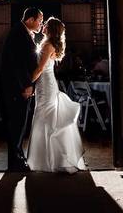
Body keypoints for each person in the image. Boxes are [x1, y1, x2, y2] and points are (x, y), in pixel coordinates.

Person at [26, 17, 87, 173]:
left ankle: (48, 159)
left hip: (45, 84)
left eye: (46, 24)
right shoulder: (46, 43)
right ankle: (47, 157)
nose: (43, 25)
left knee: (43, 117)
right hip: (45, 84)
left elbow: (39, 69)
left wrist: (27, 83)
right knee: (45, 117)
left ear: (50, 28)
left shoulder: (48, 46)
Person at [0, 7, 43, 171]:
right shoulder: (18, 34)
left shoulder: (22, 32)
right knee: (17, 123)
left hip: (17, 86)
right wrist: (27, 85)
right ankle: (15, 162)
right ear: (30, 19)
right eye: (39, 20)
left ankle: (17, 158)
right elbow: (17, 64)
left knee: (19, 124)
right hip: (16, 87)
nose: (40, 24)